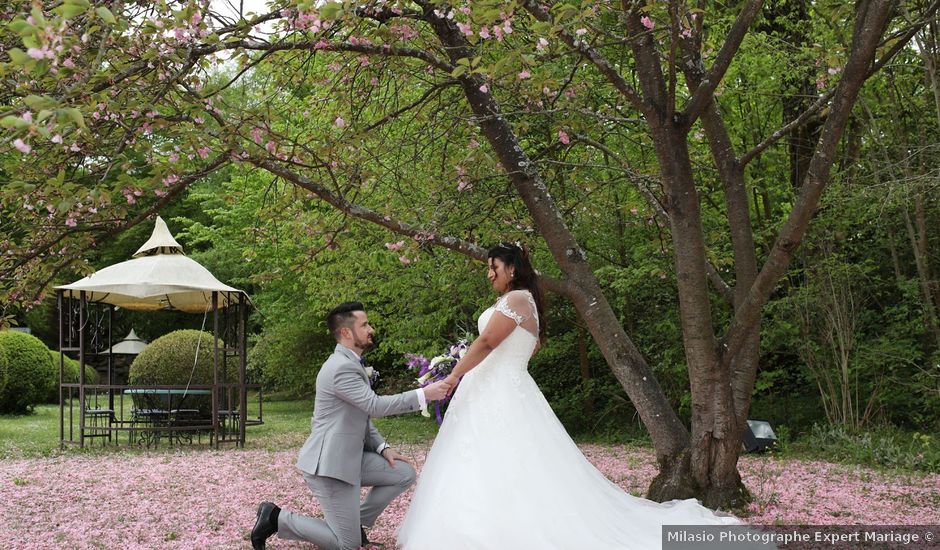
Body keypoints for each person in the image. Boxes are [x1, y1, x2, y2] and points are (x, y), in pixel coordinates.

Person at [396, 242, 740, 549]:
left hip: (499, 391)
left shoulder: (517, 299)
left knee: (504, 459)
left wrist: (455, 375)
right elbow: (526, 348)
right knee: (485, 459)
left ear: (511, 269)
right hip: (493, 387)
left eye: (493, 267)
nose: (489, 274)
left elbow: (486, 343)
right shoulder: (516, 301)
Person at [250, 301, 453, 550]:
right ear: (346, 332)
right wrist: (423, 394)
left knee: (403, 473)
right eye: (365, 324)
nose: (371, 329)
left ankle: (357, 522)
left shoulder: (351, 363)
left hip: (350, 457)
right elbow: (374, 406)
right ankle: (275, 517)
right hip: (330, 466)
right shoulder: (340, 368)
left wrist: (382, 448)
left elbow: (361, 416)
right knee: (346, 545)